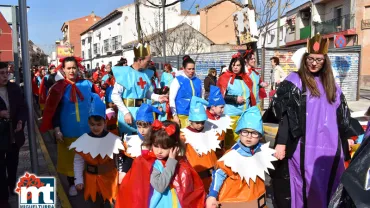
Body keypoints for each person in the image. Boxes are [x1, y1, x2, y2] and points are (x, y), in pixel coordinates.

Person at [263, 34, 364, 208]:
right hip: (304, 147)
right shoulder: (295, 81)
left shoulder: (332, 84)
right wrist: (281, 143)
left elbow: (342, 114)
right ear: (305, 59)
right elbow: (285, 115)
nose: (314, 63)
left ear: (325, 61)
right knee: (305, 186)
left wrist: (347, 136)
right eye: (310, 59)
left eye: (318, 59)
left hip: (331, 147)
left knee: (330, 185)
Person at [115, 120, 206, 208]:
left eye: (164, 147)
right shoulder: (151, 163)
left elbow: (190, 187)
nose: (159, 151)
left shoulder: (180, 161)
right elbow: (160, 186)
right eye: (156, 146)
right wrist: (171, 162)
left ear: (174, 147)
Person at [40, 56, 94, 196]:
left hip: (87, 129)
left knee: (88, 158)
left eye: (74, 68)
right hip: (67, 130)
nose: (71, 71)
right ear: (63, 69)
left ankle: (87, 182)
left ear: (78, 68)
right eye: (68, 68)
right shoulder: (58, 88)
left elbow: (96, 104)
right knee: (70, 160)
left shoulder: (88, 85)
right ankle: (73, 184)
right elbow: (54, 111)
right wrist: (57, 129)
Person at [206, 106, 277, 208]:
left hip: (257, 201)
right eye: (245, 132)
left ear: (260, 136)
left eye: (254, 133)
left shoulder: (262, 151)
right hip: (235, 202)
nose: (249, 136)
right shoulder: (231, 155)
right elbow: (218, 174)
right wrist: (212, 195)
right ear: (239, 133)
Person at [70, 94, 124, 208]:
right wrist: (78, 179)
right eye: (92, 124)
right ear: (88, 123)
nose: (95, 127)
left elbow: (118, 159)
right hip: (91, 181)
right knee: (93, 204)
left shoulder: (113, 139)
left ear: (105, 123)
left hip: (110, 180)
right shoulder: (83, 140)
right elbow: (78, 161)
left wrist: (120, 176)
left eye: (99, 124)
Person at [111, 43, 167, 136]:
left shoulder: (145, 74)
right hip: (129, 113)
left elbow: (144, 93)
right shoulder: (125, 74)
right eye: (148, 61)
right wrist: (125, 112)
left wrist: (157, 97)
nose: (149, 64)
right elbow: (115, 95)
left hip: (142, 113)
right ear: (140, 60)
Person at [0, 62, 27, 208]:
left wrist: (21, 122)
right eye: (1, 73)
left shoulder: (14, 88)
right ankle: (3, 198)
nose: (5, 76)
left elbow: (23, 107)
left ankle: (11, 185)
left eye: (6, 73)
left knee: (12, 163)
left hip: (13, 134)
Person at [217, 53, 256, 149]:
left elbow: (251, 96)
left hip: (244, 115)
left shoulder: (246, 78)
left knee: (243, 143)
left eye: (238, 65)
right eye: (233, 65)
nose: (235, 67)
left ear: (242, 66)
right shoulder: (225, 77)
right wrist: (234, 99)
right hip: (230, 115)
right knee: (230, 144)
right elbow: (219, 96)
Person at [180, 96, 220, 191]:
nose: (200, 125)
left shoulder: (208, 130)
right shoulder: (183, 134)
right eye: (197, 122)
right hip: (196, 171)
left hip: (211, 171)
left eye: (202, 122)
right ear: (190, 121)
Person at [118, 103, 162, 184]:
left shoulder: (157, 141)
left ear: (152, 125)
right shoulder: (133, 141)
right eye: (139, 126)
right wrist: (123, 172)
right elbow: (129, 160)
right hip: (137, 179)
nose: (142, 131)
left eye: (145, 127)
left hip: (154, 179)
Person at [169, 55, 202, 128]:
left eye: (193, 69)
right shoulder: (177, 80)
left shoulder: (198, 81)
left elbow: (200, 98)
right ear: (183, 69)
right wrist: (175, 115)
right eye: (189, 69)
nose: (191, 71)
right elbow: (171, 98)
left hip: (195, 115)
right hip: (181, 115)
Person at [206, 86, 232, 158]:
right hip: (209, 153)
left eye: (223, 107)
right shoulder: (205, 119)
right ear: (213, 107)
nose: (223, 110)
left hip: (220, 151)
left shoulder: (223, 118)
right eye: (221, 107)